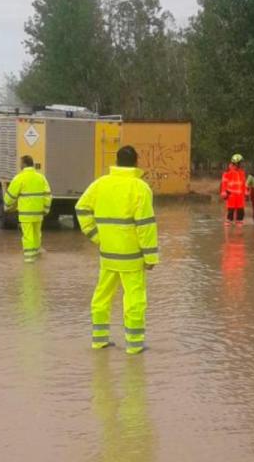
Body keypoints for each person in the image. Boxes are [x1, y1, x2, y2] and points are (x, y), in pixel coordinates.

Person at [76, 145, 158, 355]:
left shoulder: (100, 184)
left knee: (102, 296)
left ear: (117, 161)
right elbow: (145, 225)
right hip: (132, 258)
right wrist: (150, 256)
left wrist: (96, 237)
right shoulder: (140, 188)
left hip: (108, 255)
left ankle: (99, 341)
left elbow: (81, 208)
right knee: (134, 299)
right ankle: (134, 344)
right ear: (136, 162)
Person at [3, 155, 52, 262]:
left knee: (28, 236)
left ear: (24, 164)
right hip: (39, 213)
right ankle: (38, 256)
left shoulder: (19, 178)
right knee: (37, 234)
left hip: (26, 214)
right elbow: (48, 195)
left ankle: (29, 260)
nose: (19, 165)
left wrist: (7, 205)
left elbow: (10, 196)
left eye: (20, 163)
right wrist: (46, 209)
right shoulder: (41, 178)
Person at [220, 154, 248, 226]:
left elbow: (244, 184)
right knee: (230, 210)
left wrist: (246, 192)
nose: (242, 164)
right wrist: (223, 192)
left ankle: (239, 222)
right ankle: (228, 222)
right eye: (240, 163)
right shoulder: (227, 172)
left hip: (240, 195)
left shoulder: (242, 172)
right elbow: (224, 183)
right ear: (236, 163)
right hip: (231, 195)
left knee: (240, 210)